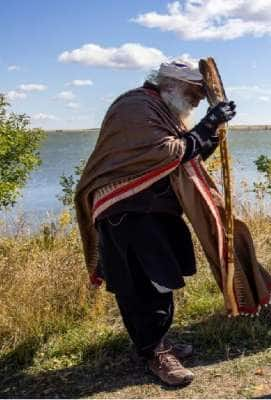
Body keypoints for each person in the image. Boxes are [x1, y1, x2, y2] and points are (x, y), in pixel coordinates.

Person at [75, 60, 236, 386]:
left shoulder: (161, 108)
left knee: (160, 280)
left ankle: (157, 342)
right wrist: (206, 125)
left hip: (152, 209)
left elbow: (180, 160)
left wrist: (212, 131)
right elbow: (167, 153)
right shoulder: (135, 106)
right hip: (125, 210)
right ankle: (154, 353)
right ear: (172, 85)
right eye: (195, 92)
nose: (198, 100)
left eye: (202, 95)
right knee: (143, 286)